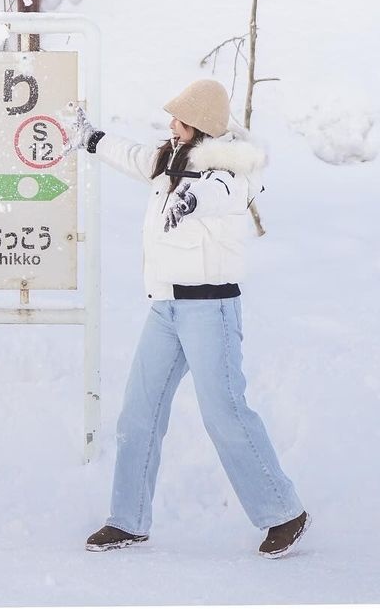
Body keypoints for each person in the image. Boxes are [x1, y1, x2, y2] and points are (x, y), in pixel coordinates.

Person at [75, 78, 309, 559]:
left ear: (200, 126)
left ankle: (284, 512)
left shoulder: (228, 170)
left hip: (210, 309)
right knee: (139, 414)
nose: (171, 125)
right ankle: (128, 520)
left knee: (224, 412)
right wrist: (92, 138)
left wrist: (191, 199)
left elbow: (221, 193)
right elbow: (136, 157)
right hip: (165, 307)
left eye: (179, 119)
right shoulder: (170, 160)